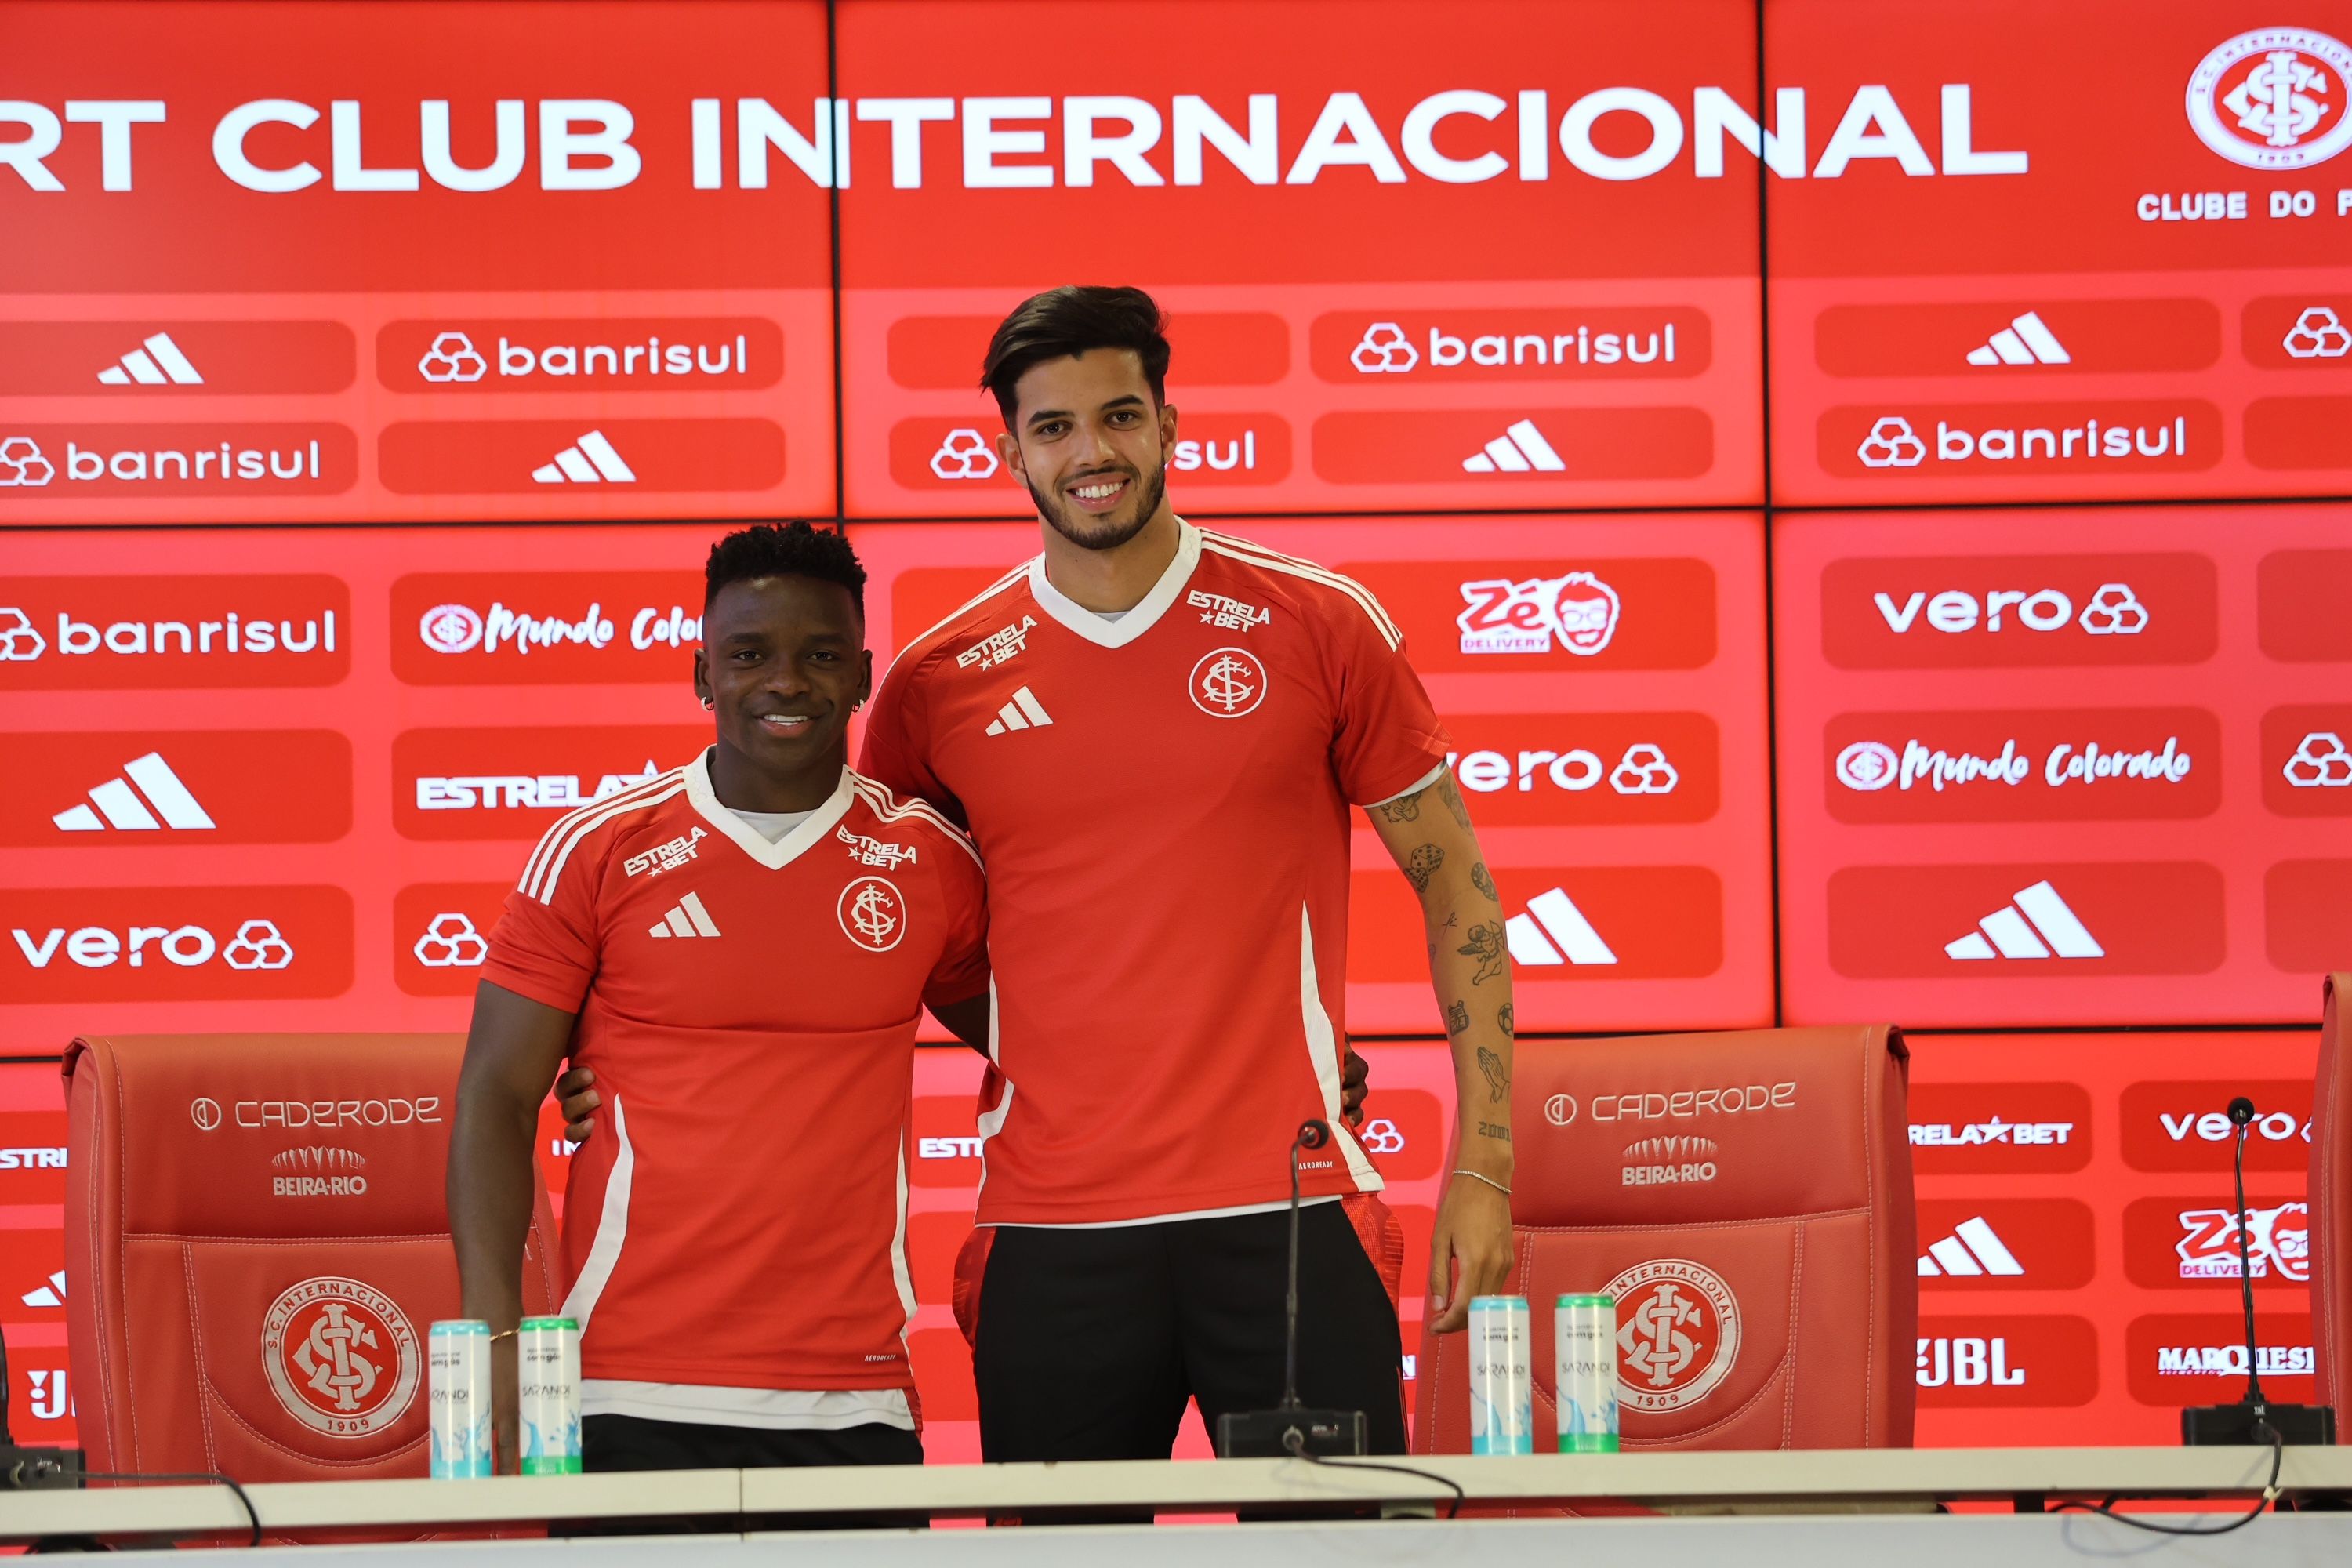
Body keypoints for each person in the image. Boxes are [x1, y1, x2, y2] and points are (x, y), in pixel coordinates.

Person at [858, 285, 1515, 1461]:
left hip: (1295, 1211)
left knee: (1349, 1563)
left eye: (1120, 417)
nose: (1092, 453)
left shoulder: (1317, 623)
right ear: (1008, 450)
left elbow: (1456, 884)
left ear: (1170, 424)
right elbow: (874, 938)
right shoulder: (937, 680)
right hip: (1050, 1227)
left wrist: (1483, 1163)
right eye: (1053, 429)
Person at [447, 521, 989, 1497]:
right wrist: (494, 1329)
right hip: (624, 1390)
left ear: (865, 675)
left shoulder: (933, 861)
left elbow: (1061, 1036)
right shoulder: (600, 848)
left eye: (822, 655)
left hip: (854, 1398)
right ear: (702, 674)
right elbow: (492, 1094)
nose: (787, 681)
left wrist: (1281, 1060)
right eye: (749, 655)